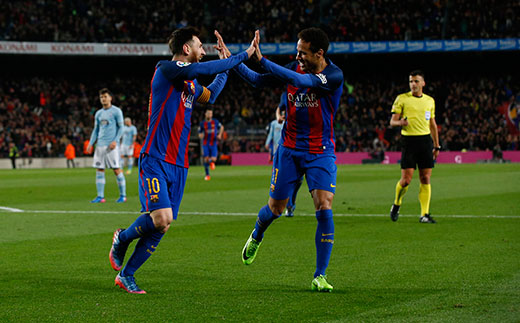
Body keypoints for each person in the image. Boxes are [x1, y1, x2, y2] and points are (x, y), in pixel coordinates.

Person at [108, 27, 256, 294]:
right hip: (155, 157)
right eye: (200, 45)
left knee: (162, 225)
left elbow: (210, 96)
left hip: (179, 164)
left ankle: (126, 275)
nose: (203, 50)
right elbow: (199, 70)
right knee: (161, 217)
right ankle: (123, 237)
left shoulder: (187, 83)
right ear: (186, 49)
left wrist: (225, 67)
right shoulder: (167, 69)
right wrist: (243, 55)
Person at [216, 28, 343, 292]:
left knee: (324, 205)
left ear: (319, 53)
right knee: (275, 209)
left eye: (303, 52)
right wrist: (233, 59)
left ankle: (320, 275)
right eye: (297, 51)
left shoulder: (333, 75)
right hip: (288, 150)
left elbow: (304, 82)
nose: (298, 56)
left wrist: (263, 60)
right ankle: (256, 234)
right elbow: (257, 80)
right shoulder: (293, 67)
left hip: (321, 151)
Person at [389, 70, 440, 224]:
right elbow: (392, 122)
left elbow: (432, 124)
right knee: (406, 180)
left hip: (425, 141)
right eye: (411, 81)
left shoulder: (430, 101)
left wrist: (437, 145)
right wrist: (401, 123)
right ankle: (397, 203)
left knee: (425, 178)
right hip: (409, 141)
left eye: (416, 81)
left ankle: (424, 214)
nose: (413, 84)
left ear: (423, 83)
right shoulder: (402, 99)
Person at [87, 88, 126, 204]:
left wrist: (115, 140)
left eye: (105, 96)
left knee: (116, 169)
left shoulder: (116, 111)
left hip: (112, 146)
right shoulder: (98, 113)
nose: (103, 99)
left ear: (110, 98)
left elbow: (121, 128)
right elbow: (96, 130)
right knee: (99, 170)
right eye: (101, 97)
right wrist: (90, 143)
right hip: (100, 145)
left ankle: (123, 195)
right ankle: (100, 196)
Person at [265, 94, 302, 217]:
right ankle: (289, 205)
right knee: (287, 178)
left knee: (298, 181)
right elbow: (280, 107)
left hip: (301, 146)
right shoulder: (287, 94)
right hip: (284, 149)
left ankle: (291, 202)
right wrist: (278, 117)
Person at [198, 108, 223, 180]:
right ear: (205, 114)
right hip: (205, 143)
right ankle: (207, 175)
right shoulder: (202, 123)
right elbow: (199, 132)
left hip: (214, 143)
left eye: (211, 113)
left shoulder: (215, 122)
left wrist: (220, 135)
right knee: (206, 159)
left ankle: (211, 162)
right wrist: (200, 135)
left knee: (214, 159)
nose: (210, 115)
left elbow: (221, 127)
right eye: (208, 113)